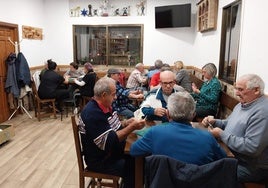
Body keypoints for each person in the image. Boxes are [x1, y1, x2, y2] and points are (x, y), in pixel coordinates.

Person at [78, 77, 146, 187]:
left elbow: (113, 126)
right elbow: (110, 141)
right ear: (104, 95)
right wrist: (132, 127)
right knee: (136, 167)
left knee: (139, 158)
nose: (115, 97)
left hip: (109, 153)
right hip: (101, 160)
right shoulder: (92, 113)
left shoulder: (104, 106)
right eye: (113, 94)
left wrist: (126, 123)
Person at [202, 74, 268, 184]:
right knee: (203, 160)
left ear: (256, 90)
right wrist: (215, 122)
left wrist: (221, 134)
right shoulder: (244, 103)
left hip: (251, 167)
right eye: (236, 89)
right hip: (231, 154)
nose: (237, 93)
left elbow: (252, 147)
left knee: (211, 175)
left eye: (241, 89)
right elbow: (230, 123)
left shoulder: (262, 113)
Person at [131, 92, 227, 165]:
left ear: (168, 114)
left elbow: (134, 151)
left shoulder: (155, 133)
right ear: (193, 115)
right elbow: (223, 159)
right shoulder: (207, 138)